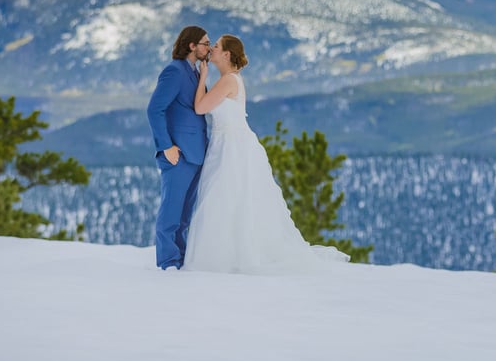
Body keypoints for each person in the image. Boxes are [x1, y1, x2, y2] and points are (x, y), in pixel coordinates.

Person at [182, 34, 350, 273]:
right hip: (228, 144)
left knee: (226, 197)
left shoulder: (228, 80)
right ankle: (228, 254)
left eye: (216, 47)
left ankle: (226, 258)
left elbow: (200, 107)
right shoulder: (231, 79)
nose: (212, 50)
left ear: (227, 54)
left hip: (231, 147)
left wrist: (202, 78)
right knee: (229, 198)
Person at [146, 25, 211, 270]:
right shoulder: (174, 71)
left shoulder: (194, 72)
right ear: (192, 45)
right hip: (178, 154)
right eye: (205, 43)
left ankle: (180, 260)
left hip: (196, 152)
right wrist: (166, 146)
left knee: (185, 214)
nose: (209, 47)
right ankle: (167, 262)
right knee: (171, 211)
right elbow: (154, 109)